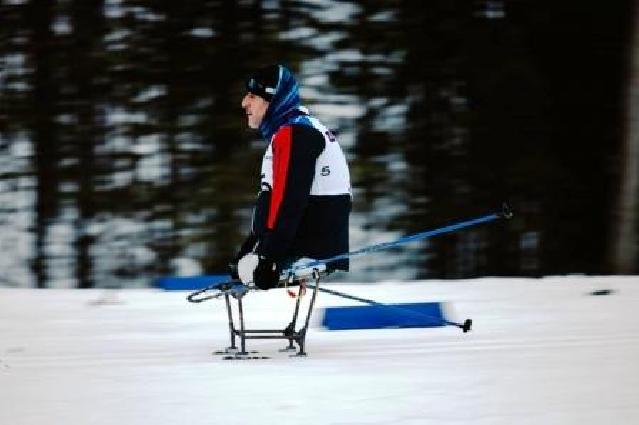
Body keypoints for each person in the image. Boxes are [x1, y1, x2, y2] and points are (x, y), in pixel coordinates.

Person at [231, 64, 352, 290]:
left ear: (272, 99)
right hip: (309, 245)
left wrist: (269, 258)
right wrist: (251, 249)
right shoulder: (296, 129)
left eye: (252, 96)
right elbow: (277, 200)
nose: (244, 103)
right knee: (246, 268)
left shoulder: (295, 133)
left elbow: (289, 201)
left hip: (307, 252)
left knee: (251, 271)